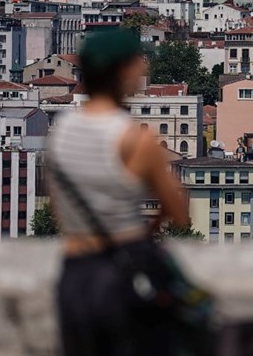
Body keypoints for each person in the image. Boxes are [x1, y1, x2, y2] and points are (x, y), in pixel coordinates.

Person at [48, 28, 194, 355]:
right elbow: (181, 213)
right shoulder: (133, 138)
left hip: (73, 278)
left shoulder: (59, 134)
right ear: (122, 72)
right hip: (119, 280)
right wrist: (153, 226)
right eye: (137, 64)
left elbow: (62, 212)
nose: (143, 71)